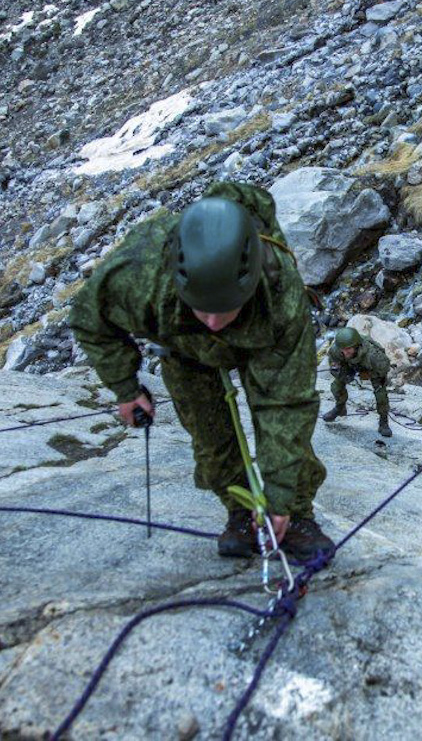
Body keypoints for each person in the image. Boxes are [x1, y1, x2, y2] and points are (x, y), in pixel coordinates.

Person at [69, 180, 334, 561]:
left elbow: (286, 406)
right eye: (202, 307)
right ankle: (241, 513)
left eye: (224, 308)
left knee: (285, 434)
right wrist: (126, 388)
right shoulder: (135, 276)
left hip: (262, 339)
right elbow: (88, 320)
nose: (212, 321)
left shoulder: (282, 296)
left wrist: (280, 495)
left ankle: (294, 517)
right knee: (209, 435)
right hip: (182, 345)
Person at [322, 327, 392, 438]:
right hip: (349, 365)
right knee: (336, 386)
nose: (345, 352)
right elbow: (334, 366)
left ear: (356, 346)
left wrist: (368, 375)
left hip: (370, 367)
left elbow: (383, 369)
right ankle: (340, 408)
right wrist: (344, 375)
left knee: (380, 394)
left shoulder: (373, 355)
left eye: (348, 349)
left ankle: (384, 421)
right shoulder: (336, 351)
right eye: (342, 349)